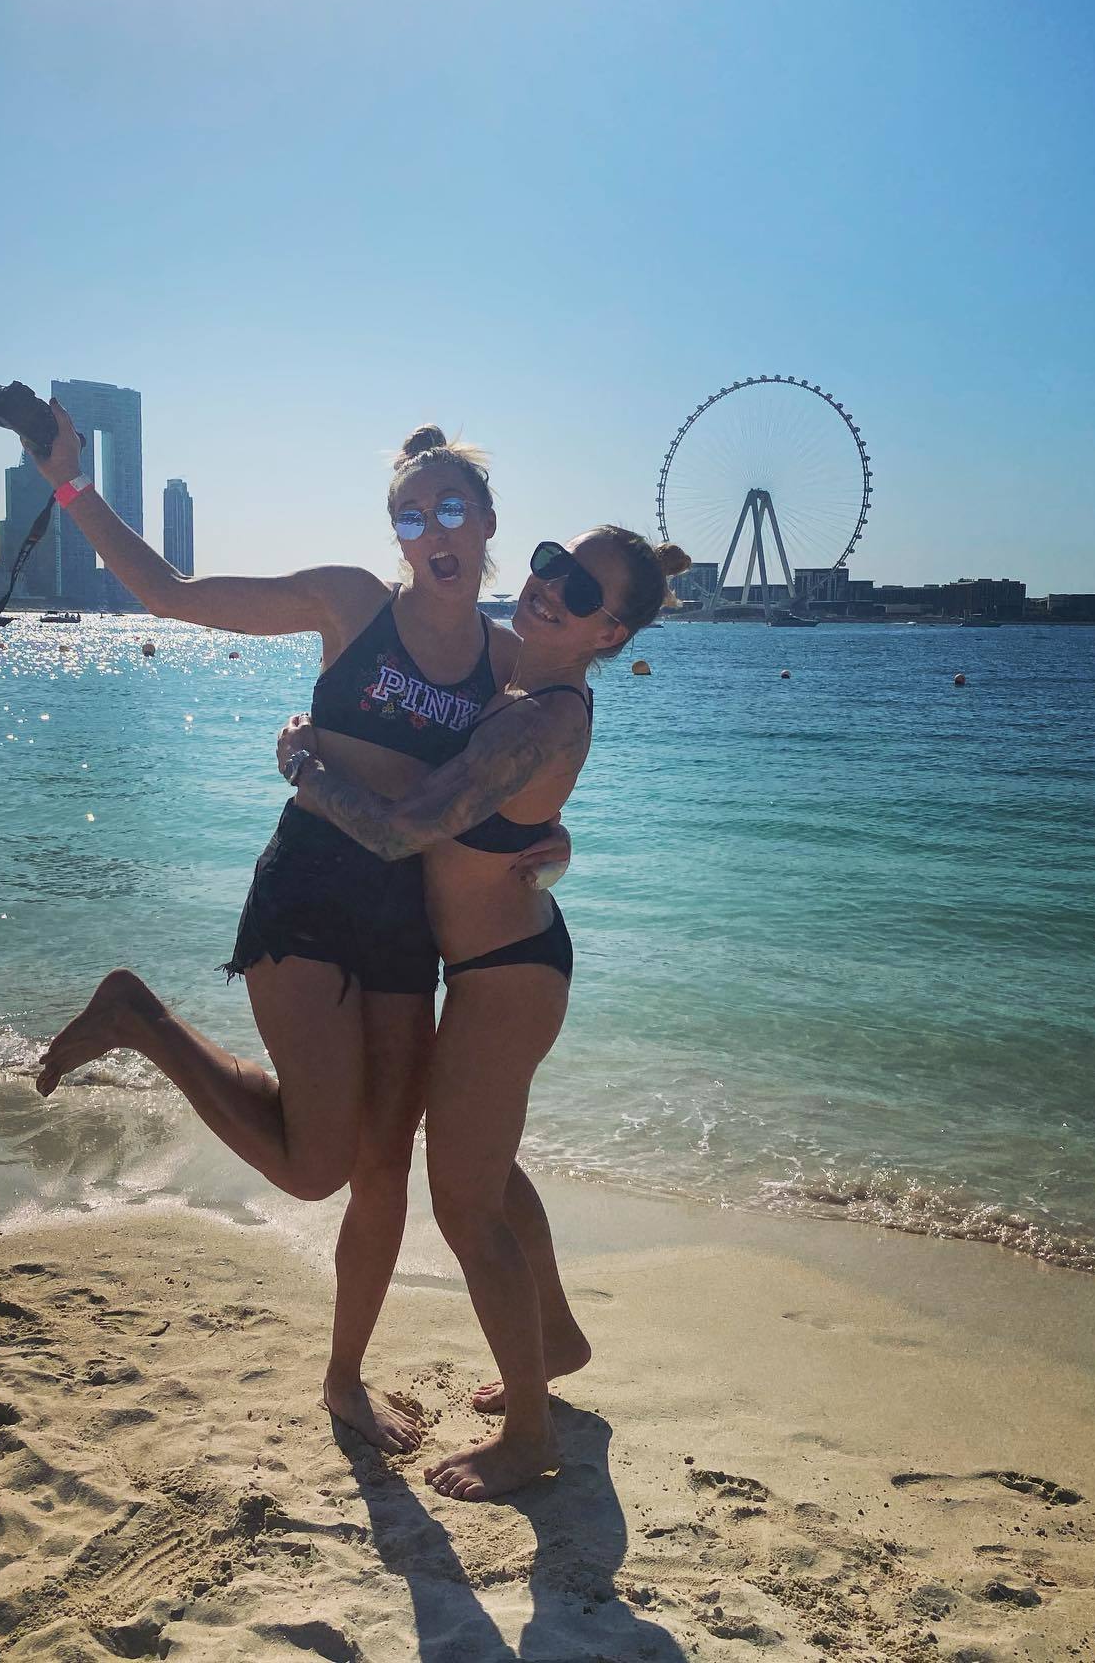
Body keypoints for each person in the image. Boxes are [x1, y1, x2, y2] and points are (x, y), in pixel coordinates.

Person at [27, 409, 570, 1453]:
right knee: (317, 1165)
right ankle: (140, 1020)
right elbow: (171, 595)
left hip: (408, 920)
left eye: (451, 509)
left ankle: (343, 1378)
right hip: (308, 893)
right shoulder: (349, 603)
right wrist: (70, 483)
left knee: (384, 1168)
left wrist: (558, 845)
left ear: (488, 520)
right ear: (395, 534)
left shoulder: (507, 664)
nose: (432, 530)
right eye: (410, 516)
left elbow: (536, 775)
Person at [274, 528, 690, 1498]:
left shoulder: (537, 716)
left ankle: (530, 1435)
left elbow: (400, 832)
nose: (549, 588)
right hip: (501, 964)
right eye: (552, 563)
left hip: (505, 978)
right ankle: (559, 1340)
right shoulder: (518, 685)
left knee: (465, 1205)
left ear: (608, 632)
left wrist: (304, 768)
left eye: (578, 590)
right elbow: (505, 809)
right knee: (488, 1173)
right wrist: (558, 837)